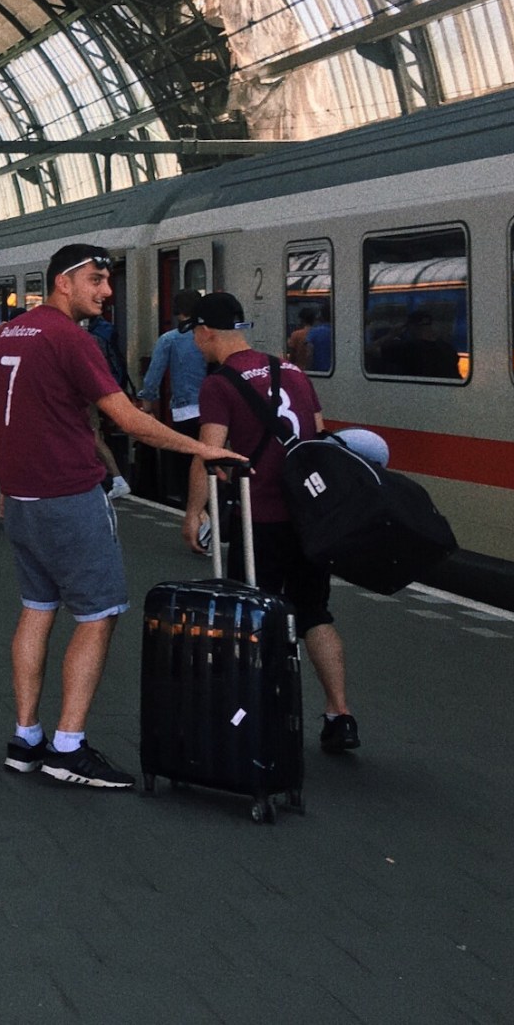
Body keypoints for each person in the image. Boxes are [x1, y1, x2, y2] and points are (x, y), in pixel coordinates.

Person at [0, 244, 244, 790]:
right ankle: (68, 747)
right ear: (64, 282)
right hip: (69, 497)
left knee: (37, 608)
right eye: (97, 280)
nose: (107, 291)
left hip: (25, 498)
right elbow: (127, 419)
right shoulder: (70, 338)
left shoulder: (10, 333)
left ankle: (25, 738)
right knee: (98, 615)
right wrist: (201, 449)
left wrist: (7, 483)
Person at [182, 292, 359, 754]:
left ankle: (251, 714)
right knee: (314, 613)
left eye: (196, 336)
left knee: (247, 616)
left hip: (258, 519)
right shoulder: (292, 371)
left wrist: (194, 512)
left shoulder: (218, 384)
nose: (196, 344)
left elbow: (208, 453)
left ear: (205, 332)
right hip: (309, 518)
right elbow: (317, 434)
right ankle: (340, 714)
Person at [137, 291, 208, 506]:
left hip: (184, 411)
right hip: (212, 410)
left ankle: (193, 508)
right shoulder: (210, 336)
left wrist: (147, 404)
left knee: (186, 464)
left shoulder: (170, 339)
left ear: (178, 311)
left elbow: (153, 376)